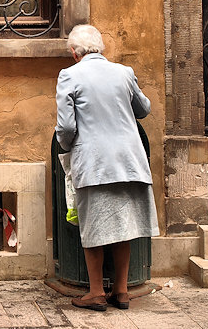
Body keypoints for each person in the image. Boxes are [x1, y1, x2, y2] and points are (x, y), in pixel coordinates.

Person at [54, 24, 159, 312]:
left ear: (75, 53)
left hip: (95, 163)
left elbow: (65, 127)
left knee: (93, 227)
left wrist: (67, 146)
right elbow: (144, 109)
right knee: (123, 227)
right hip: (130, 161)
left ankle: (97, 292)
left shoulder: (69, 75)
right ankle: (122, 292)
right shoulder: (124, 73)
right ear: (101, 48)